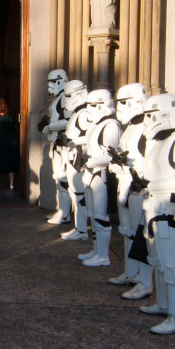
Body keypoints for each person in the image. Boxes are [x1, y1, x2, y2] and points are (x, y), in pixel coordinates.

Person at [134, 94, 175, 335]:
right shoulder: (159, 140)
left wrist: (154, 185)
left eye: (151, 115)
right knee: (158, 262)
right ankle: (163, 304)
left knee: (173, 267)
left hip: (169, 209)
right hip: (152, 208)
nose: (148, 121)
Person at [107, 82, 148, 291]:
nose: (120, 107)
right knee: (127, 232)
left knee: (140, 235)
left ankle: (144, 281)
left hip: (137, 186)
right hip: (124, 184)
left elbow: (149, 161)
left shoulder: (147, 127)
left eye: (124, 102)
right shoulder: (130, 127)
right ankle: (131, 273)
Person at [75, 89, 121, 267]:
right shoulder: (98, 124)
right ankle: (96, 250)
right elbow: (89, 143)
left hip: (101, 173)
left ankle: (103, 255)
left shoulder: (111, 125)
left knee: (101, 217)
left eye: (93, 105)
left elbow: (113, 154)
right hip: (90, 172)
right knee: (93, 215)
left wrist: (91, 161)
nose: (90, 109)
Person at [38, 69, 70, 224]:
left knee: (63, 179)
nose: (49, 86)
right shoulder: (59, 98)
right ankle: (62, 211)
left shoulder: (65, 97)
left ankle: (65, 214)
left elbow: (70, 121)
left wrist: (51, 125)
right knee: (58, 178)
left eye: (52, 82)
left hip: (63, 144)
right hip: (56, 143)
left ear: (59, 81)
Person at [60, 81, 90, 241]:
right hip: (71, 156)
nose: (67, 100)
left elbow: (91, 136)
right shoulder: (78, 113)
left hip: (78, 158)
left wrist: (71, 141)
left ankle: (82, 229)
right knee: (74, 193)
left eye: (69, 96)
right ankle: (79, 227)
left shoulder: (85, 113)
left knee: (79, 195)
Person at [0, 99, 19, 190]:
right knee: (11, 162)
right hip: (13, 142)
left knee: (0, 161)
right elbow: (15, 129)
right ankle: (11, 184)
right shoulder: (11, 117)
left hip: (2, 142)